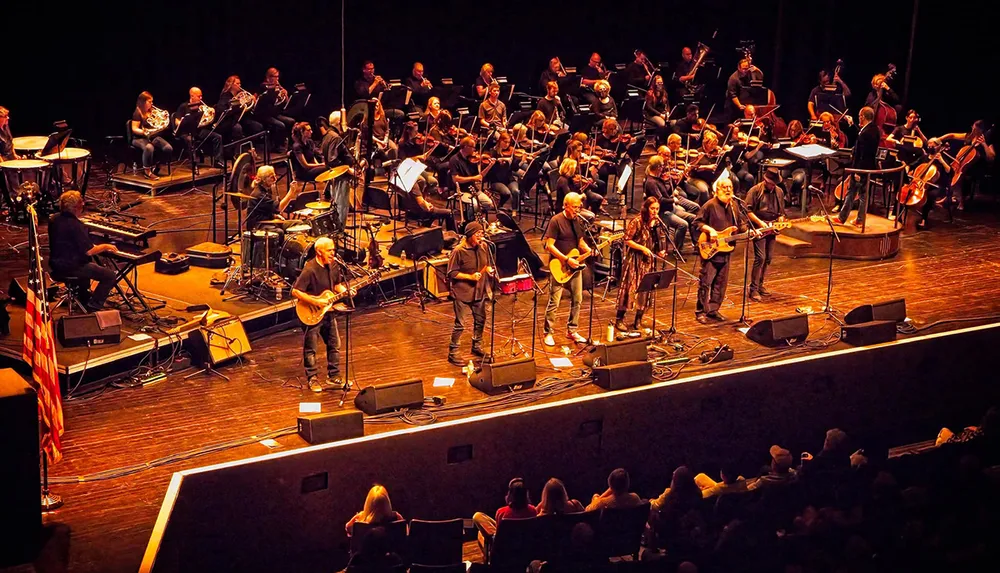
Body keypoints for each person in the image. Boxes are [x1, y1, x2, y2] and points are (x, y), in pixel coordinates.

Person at [291, 236, 354, 392]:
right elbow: (295, 291)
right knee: (311, 348)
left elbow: (337, 285)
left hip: (329, 312)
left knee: (335, 344)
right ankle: (312, 378)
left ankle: (334, 376)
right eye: (329, 250)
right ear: (319, 252)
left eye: (334, 249)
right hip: (311, 312)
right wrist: (315, 302)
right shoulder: (310, 269)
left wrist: (346, 291)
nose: (333, 253)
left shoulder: (334, 266)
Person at [47, 191, 118, 313]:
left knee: (89, 267)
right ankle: (93, 306)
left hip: (56, 264)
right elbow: (89, 251)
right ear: (76, 208)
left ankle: (83, 298)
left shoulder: (54, 219)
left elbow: (71, 242)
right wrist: (105, 246)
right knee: (109, 275)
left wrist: (94, 246)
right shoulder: (75, 225)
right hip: (72, 266)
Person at [692, 177, 746, 324]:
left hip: (726, 250)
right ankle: (701, 311)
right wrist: (709, 229)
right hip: (711, 249)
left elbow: (741, 225)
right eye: (724, 187)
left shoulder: (735, 206)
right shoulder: (710, 205)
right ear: (717, 190)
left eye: (730, 187)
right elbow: (697, 222)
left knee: (720, 283)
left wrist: (752, 233)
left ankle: (713, 309)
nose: (728, 190)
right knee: (706, 282)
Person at [542, 192, 591, 346]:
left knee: (578, 299)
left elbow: (580, 242)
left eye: (579, 207)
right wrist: (566, 259)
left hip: (575, 266)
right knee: (554, 301)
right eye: (574, 207)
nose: (577, 210)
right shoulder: (556, 221)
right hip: (559, 265)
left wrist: (589, 250)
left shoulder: (578, 221)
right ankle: (548, 332)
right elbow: (549, 245)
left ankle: (572, 330)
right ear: (566, 206)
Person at [615, 196, 665, 333]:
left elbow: (658, 240)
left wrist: (660, 251)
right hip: (635, 259)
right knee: (629, 288)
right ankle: (619, 318)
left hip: (648, 261)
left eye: (657, 209)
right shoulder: (637, 221)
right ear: (646, 208)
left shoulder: (657, 224)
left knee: (646, 290)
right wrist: (642, 248)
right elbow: (627, 240)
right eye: (652, 208)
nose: (655, 211)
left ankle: (638, 319)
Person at [446, 222, 492, 366]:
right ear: (470, 235)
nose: (481, 237)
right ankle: (453, 352)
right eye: (477, 235)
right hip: (462, 292)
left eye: (482, 234)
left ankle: (476, 346)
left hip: (479, 291)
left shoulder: (484, 247)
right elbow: (451, 273)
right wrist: (470, 277)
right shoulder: (458, 251)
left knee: (480, 320)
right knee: (460, 324)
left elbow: (487, 263)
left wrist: (489, 269)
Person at [745, 168, 786, 301]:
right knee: (760, 258)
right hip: (758, 227)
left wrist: (780, 222)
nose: (773, 186)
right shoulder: (755, 191)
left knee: (768, 258)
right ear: (765, 180)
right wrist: (761, 223)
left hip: (772, 227)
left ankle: (760, 285)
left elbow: (781, 213)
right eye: (771, 183)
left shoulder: (779, 191)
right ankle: (753, 289)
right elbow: (748, 211)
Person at [835, 106, 879, 228]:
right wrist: (852, 124)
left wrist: (858, 172)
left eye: (860, 116)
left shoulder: (866, 133)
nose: (859, 118)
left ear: (863, 117)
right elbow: (860, 136)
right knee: (856, 193)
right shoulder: (873, 129)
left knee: (857, 194)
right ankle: (853, 219)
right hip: (866, 167)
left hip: (861, 168)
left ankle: (848, 219)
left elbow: (863, 154)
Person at [472, 477, 537, 538]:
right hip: (524, 545)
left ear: (510, 494)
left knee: (477, 517)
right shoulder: (533, 510)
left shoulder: (501, 512)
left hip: (504, 546)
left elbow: (499, 534)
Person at [174, 87, 223, 167]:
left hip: (198, 131)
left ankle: (217, 161)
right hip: (185, 132)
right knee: (190, 140)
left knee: (218, 137)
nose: (201, 98)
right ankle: (194, 164)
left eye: (201, 96)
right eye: (199, 96)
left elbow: (205, 120)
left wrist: (211, 113)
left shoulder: (201, 106)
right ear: (192, 96)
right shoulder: (184, 106)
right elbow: (176, 121)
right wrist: (183, 122)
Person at [130, 92, 173, 180]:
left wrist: (163, 117)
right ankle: (147, 172)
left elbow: (158, 124)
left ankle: (158, 167)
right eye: (150, 101)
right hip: (139, 138)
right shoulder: (137, 112)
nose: (152, 103)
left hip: (153, 136)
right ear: (143, 102)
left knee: (168, 148)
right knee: (149, 148)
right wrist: (145, 132)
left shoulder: (152, 111)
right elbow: (134, 128)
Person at [449, 136, 495, 216]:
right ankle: (469, 221)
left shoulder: (472, 160)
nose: (474, 150)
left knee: (489, 204)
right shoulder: (454, 160)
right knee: (474, 205)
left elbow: (480, 176)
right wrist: (473, 178)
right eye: (473, 147)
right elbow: (455, 179)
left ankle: (476, 216)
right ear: (466, 147)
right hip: (462, 190)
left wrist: (490, 166)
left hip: (474, 189)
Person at [245, 165, 296, 230]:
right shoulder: (259, 194)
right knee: (279, 232)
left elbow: (265, 211)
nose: (275, 179)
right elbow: (278, 208)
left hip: (266, 221)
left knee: (298, 223)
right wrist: (291, 193)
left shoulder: (266, 190)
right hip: (258, 226)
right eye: (272, 177)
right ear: (263, 179)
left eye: (275, 176)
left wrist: (274, 216)